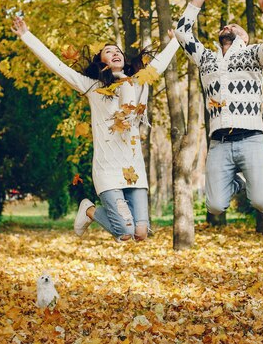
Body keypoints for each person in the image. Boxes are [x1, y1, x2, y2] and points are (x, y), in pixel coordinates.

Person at [11, 17, 179, 241]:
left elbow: (162, 62)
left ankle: (96, 214)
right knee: (126, 233)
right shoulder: (93, 87)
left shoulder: (139, 82)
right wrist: (26, 36)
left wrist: (177, 40)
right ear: (102, 62)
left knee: (141, 234)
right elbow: (58, 67)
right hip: (107, 170)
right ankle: (89, 209)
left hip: (134, 168)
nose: (115, 53)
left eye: (117, 50)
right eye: (108, 52)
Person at [174, 0, 263, 215]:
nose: (228, 27)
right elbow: (182, 33)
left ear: (244, 38)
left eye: (235, 27)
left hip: (251, 139)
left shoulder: (253, 54)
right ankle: (238, 179)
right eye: (226, 26)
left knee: (262, 203)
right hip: (219, 142)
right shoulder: (205, 57)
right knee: (214, 206)